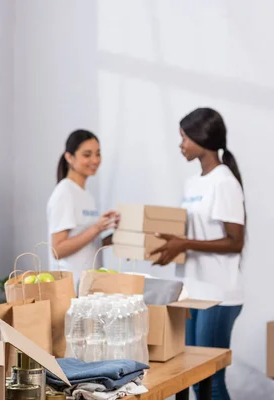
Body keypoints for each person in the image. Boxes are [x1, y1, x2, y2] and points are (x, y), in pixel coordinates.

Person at [150, 107, 245, 400]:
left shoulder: (224, 181)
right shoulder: (193, 183)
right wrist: (170, 248)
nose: (181, 145)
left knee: (211, 379)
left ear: (202, 137)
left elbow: (235, 242)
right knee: (190, 376)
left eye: (185, 138)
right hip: (191, 291)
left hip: (218, 294)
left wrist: (185, 244)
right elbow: (191, 235)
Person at [46, 129, 119, 279]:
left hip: (89, 284)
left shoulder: (87, 195)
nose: (95, 160)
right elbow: (58, 250)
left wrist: (116, 234)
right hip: (71, 285)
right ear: (70, 157)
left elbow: (87, 242)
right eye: (87, 155)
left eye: (98, 154)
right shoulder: (65, 192)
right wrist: (97, 227)